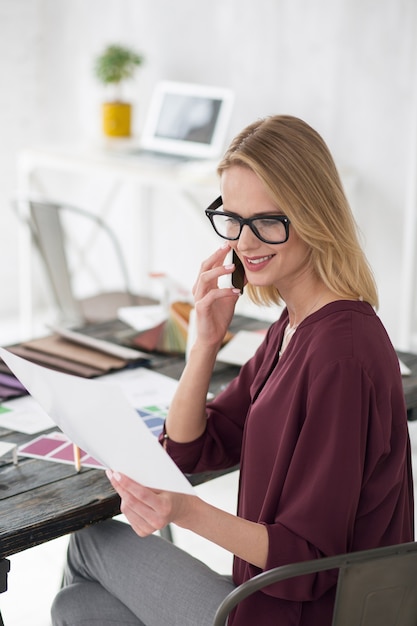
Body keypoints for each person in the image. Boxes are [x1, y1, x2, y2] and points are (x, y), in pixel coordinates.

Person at [51, 115, 414, 626]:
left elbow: (308, 560)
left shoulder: (341, 357)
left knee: (92, 542)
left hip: (295, 615)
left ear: (315, 215)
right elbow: (192, 448)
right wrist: (203, 342)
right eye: (233, 218)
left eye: (268, 220)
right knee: (77, 607)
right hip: (263, 601)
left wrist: (182, 510)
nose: (245, 242)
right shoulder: (294, 326)